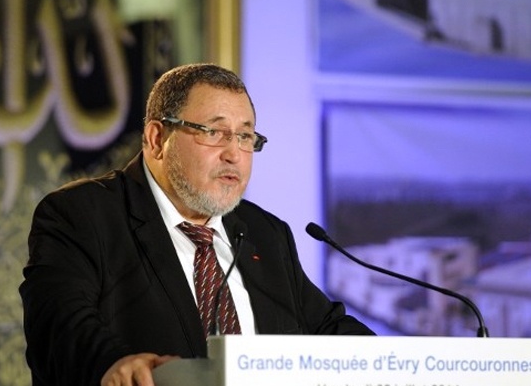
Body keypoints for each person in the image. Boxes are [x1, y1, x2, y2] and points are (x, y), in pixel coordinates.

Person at [19, 63, 374, 386]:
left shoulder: (264, 232)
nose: (233, 154)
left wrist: (392, 364)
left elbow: (327, 328)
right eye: (214, 132)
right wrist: (113, 363)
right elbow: (58, 322)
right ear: (157, 139)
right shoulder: (83, 215)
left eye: (245, 136)